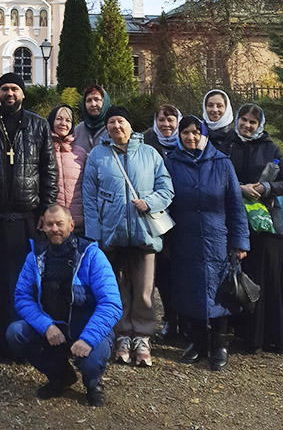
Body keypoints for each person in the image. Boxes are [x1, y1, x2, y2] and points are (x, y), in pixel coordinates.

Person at [0, 72, 58, 358]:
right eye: (4, 89)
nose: (10, 94)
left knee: (25, 282)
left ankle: (26, 343)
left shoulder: (39, 126)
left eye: (14, 88)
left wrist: (45, 210)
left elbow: (49, 171)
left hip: (27, 217)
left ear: (23, 93)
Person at [82, 105, 174, 368]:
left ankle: (142, 336)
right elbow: (89, 197)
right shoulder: (98, 155)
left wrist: (150, 202)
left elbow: (166, 188)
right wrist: (94, 235)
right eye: (111, 122)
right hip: (111, 235)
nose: (116, 126)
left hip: (144, 233)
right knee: (117, 290)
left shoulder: (150, 153)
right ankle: (122, 335)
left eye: (120, 121)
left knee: (144, 291)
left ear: (130, 125)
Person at [5, 205, 122, 407]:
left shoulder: (92, 256)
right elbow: (22, 297)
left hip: (86, 327)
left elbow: (111, 303)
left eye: (60, 224)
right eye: (49, 224)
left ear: (71, 225)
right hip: (53, 326)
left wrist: (88, 339)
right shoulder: (35, 257)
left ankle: (93, 382)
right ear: (43, 227)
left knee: (92, 359)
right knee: (15, 332)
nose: (54, 229)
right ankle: (61, 376)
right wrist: (46, 326)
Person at [164, 116, 249, 370]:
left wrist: (240, 241)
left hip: (218, 239)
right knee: (191, 290)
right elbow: (166, 203)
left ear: (205, 135)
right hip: (185, 238)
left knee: (220, 291)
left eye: (195, 132)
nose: (191, 137)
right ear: (179, 136)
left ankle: (220, 344)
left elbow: (235, 204)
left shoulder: (222, 163)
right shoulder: (171, 163)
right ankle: (198, 342)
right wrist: (166, 241)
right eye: (185, 133)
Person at [222, 104, 283, 353]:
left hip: (266, 223)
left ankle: (271, 336)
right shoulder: (226, 145)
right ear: (237, 120)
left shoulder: (271, 147)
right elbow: (219, 175)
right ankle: (246, 335)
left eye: (253, 122)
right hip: (237, 221)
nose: (247, 125)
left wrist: (265, 188)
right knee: (245, 277)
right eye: (243, 119)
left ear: (259, 124)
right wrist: (239, 187)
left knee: (269, 278)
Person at [142, 104, 182, 341]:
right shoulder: (147, 146)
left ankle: (184, 318)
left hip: (182, 216)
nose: (166, 125)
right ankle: (169, 318)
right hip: (156, 217)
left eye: (170, 120)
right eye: (161, 120)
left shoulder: (186, 143)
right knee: (162, 275)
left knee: (181, 273)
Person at [46, 105, 87, 234]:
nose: (63, 123)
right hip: (53, 224)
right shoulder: (43, 150)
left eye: (68, 120)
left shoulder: (80, 153)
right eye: (59, 119)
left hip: (78, 223)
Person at [73, 85, 110, 153]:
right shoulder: (78, 130)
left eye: (97, 99)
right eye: (89, 100)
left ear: (105, 102)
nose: (93, 104)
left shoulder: (114, 127)